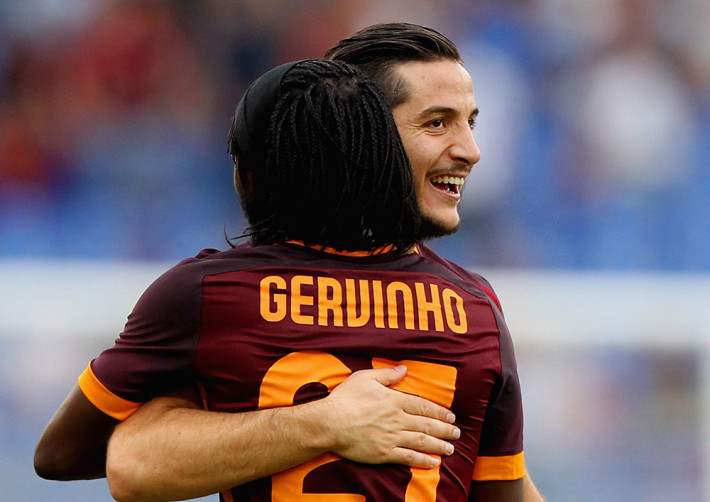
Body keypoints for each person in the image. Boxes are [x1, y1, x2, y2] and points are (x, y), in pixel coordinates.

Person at [35, 23, 543, 501]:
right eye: (436, 123)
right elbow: (113, 462)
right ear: (361, 132)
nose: (473, 151)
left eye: (470, 123)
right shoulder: (471, 307)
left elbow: (89, 455)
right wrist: (324, 423)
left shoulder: (213, 295)